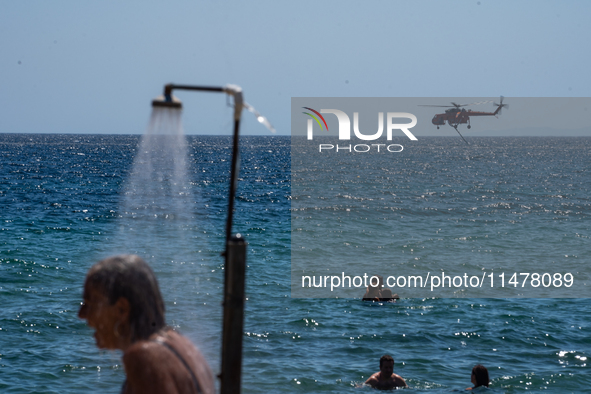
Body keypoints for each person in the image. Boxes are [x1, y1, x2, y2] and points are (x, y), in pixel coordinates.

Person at [78, 254, 215, 394]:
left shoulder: (144, 357)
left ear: (122, 309)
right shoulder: (185, 347)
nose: (81, 314)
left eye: (90, 304)